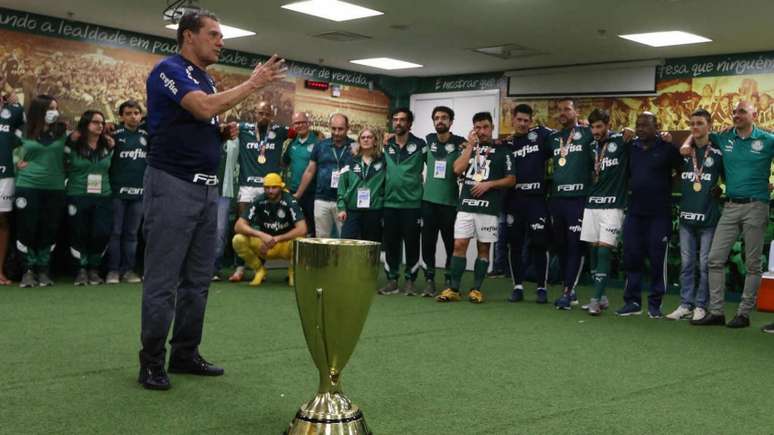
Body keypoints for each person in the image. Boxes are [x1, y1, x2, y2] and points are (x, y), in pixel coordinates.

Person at [139, 10, 286, 390]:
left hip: (206, 189)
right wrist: (253, 83)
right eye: (214, 34)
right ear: (189, 36)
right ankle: (151, 362)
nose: (221, 41)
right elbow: (202, 107)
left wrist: (218, 133)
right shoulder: (169, 69)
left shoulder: (202, 76)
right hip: (172, 184)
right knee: (163, 280)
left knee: (199, 279)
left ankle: (185, 353)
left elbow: (195, 120)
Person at [687, 101, 774, 329]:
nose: (736, 115)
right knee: (714, 259)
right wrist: (686, 142)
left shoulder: (768, 140)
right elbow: (699, 134)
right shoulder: (724, 138)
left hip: (756, 206)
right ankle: (716, 312)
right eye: (734, 112)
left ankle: (744, 314)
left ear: (754, 115)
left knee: (753, 264)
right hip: (730, 206)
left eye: (742, 112)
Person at [436, 112, 516, 303]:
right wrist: (471, 146)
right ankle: (454, 288)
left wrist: (489, 184)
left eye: (485, 127)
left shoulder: (504, 150)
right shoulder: (467, 147)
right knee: (459, 245)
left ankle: (476, 289)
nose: (482, 131)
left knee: (483, 248)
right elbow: (456, 169)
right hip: (465, 206)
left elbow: (512, 179)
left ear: (492, 127)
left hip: (489, 209)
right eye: (477, 128)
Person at [615, 113, 681, 319]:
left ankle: (655, 304)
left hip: (659, 214)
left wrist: (667, 185)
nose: (640, 129)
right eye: (638, 125)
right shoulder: (630, 148)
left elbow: (682, 170)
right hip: (635, 212)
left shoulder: (668, 148)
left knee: (656, 259)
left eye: (645, 125)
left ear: (657, 126)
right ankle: (632, 302)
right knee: (631, 257)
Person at [663, 109, 723, 321]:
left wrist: (721, 189)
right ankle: (685, 304)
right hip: (687, 218)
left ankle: (701, 305)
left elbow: (727, 179)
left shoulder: (718, 153)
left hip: (708, 218)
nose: (695, 127)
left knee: (705, 265)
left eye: (699, 123)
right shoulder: (685, 154)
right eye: (692, 124)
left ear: (709, 126)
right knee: (687, 264)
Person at [229, 101, 288, 283]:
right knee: (243, 228)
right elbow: (226, 129)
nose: (264, 116)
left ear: (272, 115)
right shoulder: (243, 128)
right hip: (247, 187)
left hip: (269, 189)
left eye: (267, 113)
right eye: (261, 112)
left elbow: (304, 133)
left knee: (263, 228)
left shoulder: (279, 131)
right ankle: (239, 268)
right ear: (255, 113)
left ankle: (259, 268)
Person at [578, 109, 630, 316]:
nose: (596, 131)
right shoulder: (590, 146)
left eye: (600, 126)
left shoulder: (622, 140)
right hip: (592, 205)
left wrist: (630, 132)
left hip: (613, 206)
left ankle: (595, 299)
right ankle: (603, 298)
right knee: (593, 253)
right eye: (593, 127)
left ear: (608, 124)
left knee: (603, 251)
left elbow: (635, 135)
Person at [547, 98, 595, 310]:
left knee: (576, 245)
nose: (563, 113)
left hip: (579, 198)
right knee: (561, 246)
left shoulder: (587, 134)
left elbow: (611, 138)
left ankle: (567, 290)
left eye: (567, 109)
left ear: (576, 112)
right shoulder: (553, 138)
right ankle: (570, 290)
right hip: (557, 199)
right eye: (560, 110)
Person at [15, 94, 67, 288]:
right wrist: (15, 163)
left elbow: (83, 142)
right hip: (28, 187)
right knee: (27, 227)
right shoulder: (22, 131)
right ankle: (27, 270)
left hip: (55, 187)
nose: (54, 112)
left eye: (56, 108)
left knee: (49, 228)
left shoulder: (62, 131)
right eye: (50, 108)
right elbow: (10, 151)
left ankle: (43, 269)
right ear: (39, 111)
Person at [504, 104, 553, 303]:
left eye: (526, 121)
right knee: (514, 244)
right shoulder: (506, 144)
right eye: (519, 120)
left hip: (536, 200)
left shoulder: (541, 136)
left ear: (531, 122)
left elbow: (562, 138)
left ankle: (542, 287)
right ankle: (517, 286)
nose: (523, 124)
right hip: (514, 201)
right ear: (513, 120)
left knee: (540, 243)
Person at [378, 108, 427, 296]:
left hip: (412, 205)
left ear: (409, 124)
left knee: (413, 244)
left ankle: (410, 282)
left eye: (402, 120)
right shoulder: (386, 145)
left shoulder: (420, 145)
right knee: (391, 245)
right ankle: (392, 281)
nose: (398, 123)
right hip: (389, 205)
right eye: (395, 119)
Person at [65, 110, 115, 285]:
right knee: (78, 233)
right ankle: (80, 269)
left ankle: (94, 269)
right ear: (86, 124)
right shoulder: (73, 144)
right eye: (95, 122)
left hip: (103, 195)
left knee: (100, 233)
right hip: (77, 194)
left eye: (102, 122)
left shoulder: (109, 145)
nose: (100, 125)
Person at [421, 106, 465, 297]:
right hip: (428, 202)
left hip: (449, 203)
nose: (440, 121)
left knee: (450, 244)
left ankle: (449, 278)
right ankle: (429, 280)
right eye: (437, 118)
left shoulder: (460, 143)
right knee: (428, 243)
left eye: (444, 118)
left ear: (451, 122)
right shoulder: (428, 140)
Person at [232, 173, 306, 286]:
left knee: (301, 241)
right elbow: (238, 226)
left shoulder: (291, 201)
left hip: (285, 245)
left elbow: (302, 229)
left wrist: (277, 238)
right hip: (264, 245)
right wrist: (261, 235)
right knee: (238, 239)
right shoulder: (259, 200)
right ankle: (259, 270)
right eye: (267, 188)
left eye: (274, 187)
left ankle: (293, 273)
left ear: (281, 187)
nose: (270, 191)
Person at [106, 100, 147, 284]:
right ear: (121, 116)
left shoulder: (147, 136)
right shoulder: (114, 135)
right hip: (117, 193)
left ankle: (128, 270)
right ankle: (113, 271)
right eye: (129, 113)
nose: (133, 116)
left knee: (132, 234)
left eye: (136, 113)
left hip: (139, 195)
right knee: (115, 233)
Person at [295, 113, 354, 238]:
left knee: (344, 240)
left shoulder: (355, 147)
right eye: (333, 129)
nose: (337, 132)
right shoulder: (320, 145)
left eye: (340, 129)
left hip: (344, 202)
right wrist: (298, 194)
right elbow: (310, 171)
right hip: (321, 200)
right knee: (322, 240)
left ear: (347, 128)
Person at [337, 128, 385, 242]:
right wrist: (341, 208)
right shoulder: (350, 161)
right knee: (346, 244)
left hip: (374, 212)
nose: (366, 140)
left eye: (369, 137)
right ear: (359, 141)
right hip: (353, 211)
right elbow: (342, 187)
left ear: (375, 141)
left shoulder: (383, 161)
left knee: (371, 247)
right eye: (363, 137)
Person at [0, 92, 25, 285]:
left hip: (4, 176)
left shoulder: (11, 113)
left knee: (2, 221)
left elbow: (22, 117)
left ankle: (0, 271)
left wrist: (13, 102)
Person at [283, 111, 318, 236]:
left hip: (312, 193)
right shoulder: (291, 143)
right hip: (293, 192)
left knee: (312, 229)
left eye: (302, 122)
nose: (300, 125)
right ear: (293, 126)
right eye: (296, 123)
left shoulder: (318, 143)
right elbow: (284, 163)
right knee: (293, 227)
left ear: (308, 124)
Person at [213, 129, 239, 281]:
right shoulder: (205, 133)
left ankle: (214, 267)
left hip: (223, 191)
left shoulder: (234, 138)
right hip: (201, 189)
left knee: (220, 230)